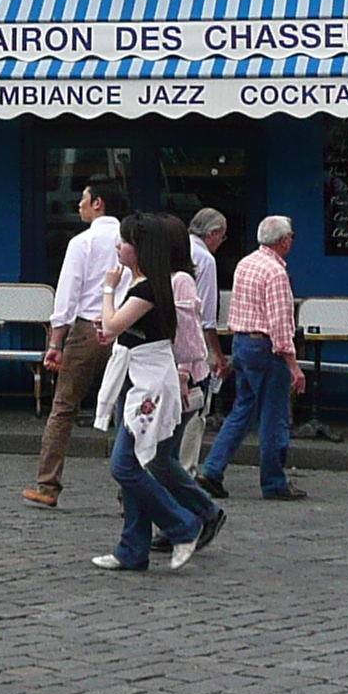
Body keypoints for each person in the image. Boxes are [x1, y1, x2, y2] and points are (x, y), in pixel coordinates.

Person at [89, 210, 224, 574]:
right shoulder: (145, 282)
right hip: (137, 376)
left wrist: (106, 286)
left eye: (125, 241)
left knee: (130, 466)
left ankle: (184, 523)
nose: (118, 246)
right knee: (143, 463)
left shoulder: (157, 285)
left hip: (152, 383)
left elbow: (119, 324)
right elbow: (116, 328)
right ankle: (134, 548)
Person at [25, 178, 124, 509]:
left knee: (64, 406)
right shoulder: (132, 240)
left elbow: (68, 294)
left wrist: (56, 341)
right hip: (125, 329)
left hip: (87, 330)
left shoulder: (83, 242)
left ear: (98, 203)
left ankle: (47, 483)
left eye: (83, 198)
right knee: (131, 408)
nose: (79, 204)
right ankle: (132, 489)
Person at [201, 214, 307, 502]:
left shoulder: (245, 264)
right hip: (265, 347)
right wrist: (293, 365)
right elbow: (281, 322)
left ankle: (212, 470)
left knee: (242, 410)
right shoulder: (275, 272)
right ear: (283, 241)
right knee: (275, 415)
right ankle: (273, 481)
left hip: (243, 343)